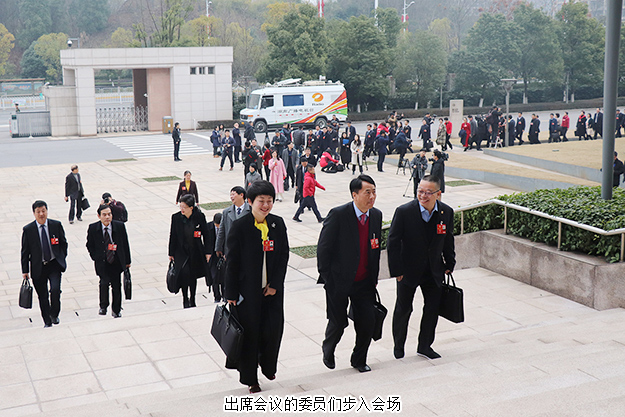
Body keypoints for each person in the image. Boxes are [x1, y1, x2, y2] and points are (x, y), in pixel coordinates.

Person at [225, 180, 289, 394]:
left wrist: (275, 285)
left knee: (273, 330)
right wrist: (231, 293)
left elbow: (283, 256)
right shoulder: (240, 227)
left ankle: (269, 366)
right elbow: (232, 262)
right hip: (247, 293)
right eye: (261, 201)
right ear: (250, 201)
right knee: (250, 336)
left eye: (270, 201)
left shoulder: (277, 224)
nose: (266, 205)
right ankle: (251, 379)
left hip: (272, 292)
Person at [317, 174, 382, 373]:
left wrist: (373, 277)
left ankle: (359, 360)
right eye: (367, 192)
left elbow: (375, 248)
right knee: (338, 322)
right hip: (339, 281)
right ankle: (328, 348)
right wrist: (328, 278)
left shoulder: (376, 215)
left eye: (374, 192)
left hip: (364, 281)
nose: (372, 197)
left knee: (367, 322)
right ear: (355, 195)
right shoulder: (338, 215)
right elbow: (323, 248)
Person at [387, 175, 456, 360]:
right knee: (403, 309)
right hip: (407, 271)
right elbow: (392, 242)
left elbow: (448, 239)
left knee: (432, 309)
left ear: (438, 194)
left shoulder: (446, 212)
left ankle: (425, 346)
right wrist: (396, 270)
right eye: (420, 191)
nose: (423, 196)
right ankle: (399, 346)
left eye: (428, 192)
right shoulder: (404, 212)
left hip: (434, 270)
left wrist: (450, 263)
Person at [21, 200, 68, 327]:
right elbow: (25, 252)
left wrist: (61, 257)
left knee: (55, 290)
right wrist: (25, 270)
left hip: (54, 264)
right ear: (34, 213)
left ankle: (54, 314)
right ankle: (47, 321)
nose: (41, 214)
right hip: (38, 267)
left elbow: (63, 244)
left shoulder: (56, 225)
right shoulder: (28, 230)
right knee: (43, 296)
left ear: (47, 211)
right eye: (38, 212)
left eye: (43, 211)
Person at [86, 204, 131, 318]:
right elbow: (89, 245)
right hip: (102, 262)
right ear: (99, 216)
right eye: (104, 215)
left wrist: (127, 261)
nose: (107, 217)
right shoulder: (93, 228)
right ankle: (103, 306)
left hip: (116, 261)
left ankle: (116, 309)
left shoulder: (119, 226)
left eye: (109, 214)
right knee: (103, 283)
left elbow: (125, 244)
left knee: (116, 286)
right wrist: (95, 257)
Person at [168, 194, 210, 309]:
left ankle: (192, 298)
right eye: (180, 206)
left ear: (191, 207)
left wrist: (208, 252)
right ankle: (185, 298)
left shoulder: (199, 216)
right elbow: (173, 235)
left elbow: (206, 234)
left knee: (192, 275)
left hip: (195, 251)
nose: (182, 209)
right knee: (184, 274)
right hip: (180, 252)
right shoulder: (176, 217)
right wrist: (171, 253)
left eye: (184, 207)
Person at [216, 186, 250, 259]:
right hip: (230, 249)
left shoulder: (251, 210)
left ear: (241, 195)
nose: (231, 197)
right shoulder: (226, 212)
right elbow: (221, 231)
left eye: (233, 194)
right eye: (230, 195)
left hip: (247, 248)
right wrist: (218, 247)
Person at [206, 212, 223, 302]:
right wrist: (207, 253)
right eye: (217, 225)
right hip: (212, 255)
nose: (218, 227)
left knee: (223, 276)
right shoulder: (208, 227)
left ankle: (225, 295)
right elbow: (206, 241)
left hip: (222, 254)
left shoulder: (226, 226)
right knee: (214, 277)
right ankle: (217, 296)